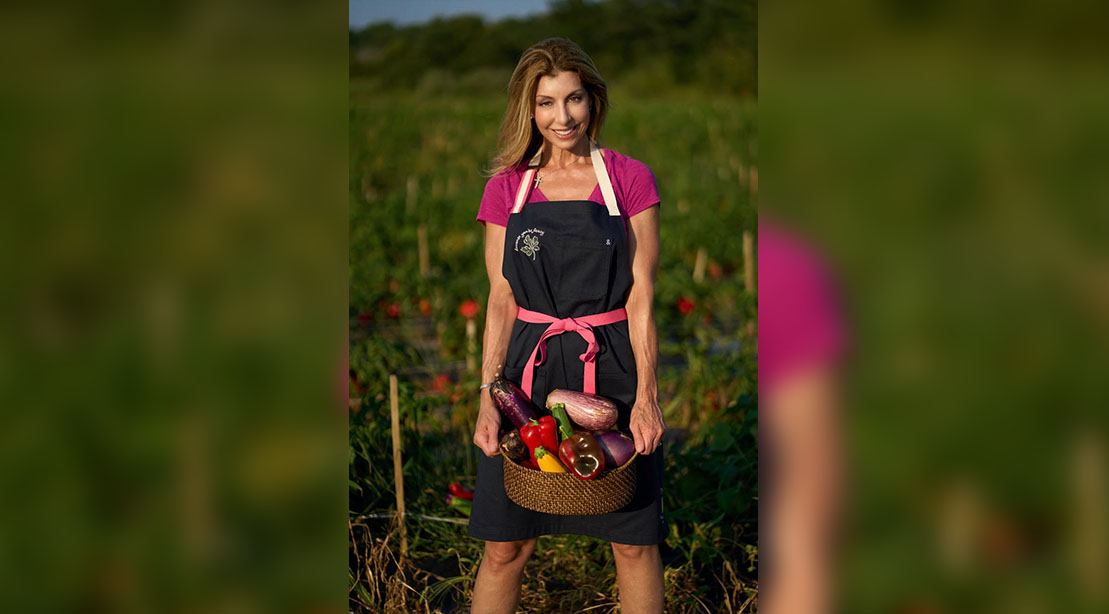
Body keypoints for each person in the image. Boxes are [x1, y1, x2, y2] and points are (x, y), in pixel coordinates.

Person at [468, 38, 667, 614]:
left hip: (611, 365)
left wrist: (647, 398)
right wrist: (488, 395)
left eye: (573, 99)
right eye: (546, 102)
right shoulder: (507, 187)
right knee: (505, 547)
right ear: (527, 110)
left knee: (634, 546)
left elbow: (643, 299)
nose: (562, 117)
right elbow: (501, 298)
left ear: (593, 101)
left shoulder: (628, 179)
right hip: (527, 373)